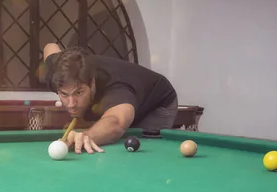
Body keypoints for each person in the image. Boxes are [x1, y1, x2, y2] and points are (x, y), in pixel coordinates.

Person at [43, 43, 179, 154]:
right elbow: (50, 47)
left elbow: (116, 123)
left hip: (155, 106)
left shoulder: (116, 87)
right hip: (123, 102)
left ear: (92, 83)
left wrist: (86, 136)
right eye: (64, 95)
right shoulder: (56, 73)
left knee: (134, 149)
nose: (71, 104)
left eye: (78, 93)